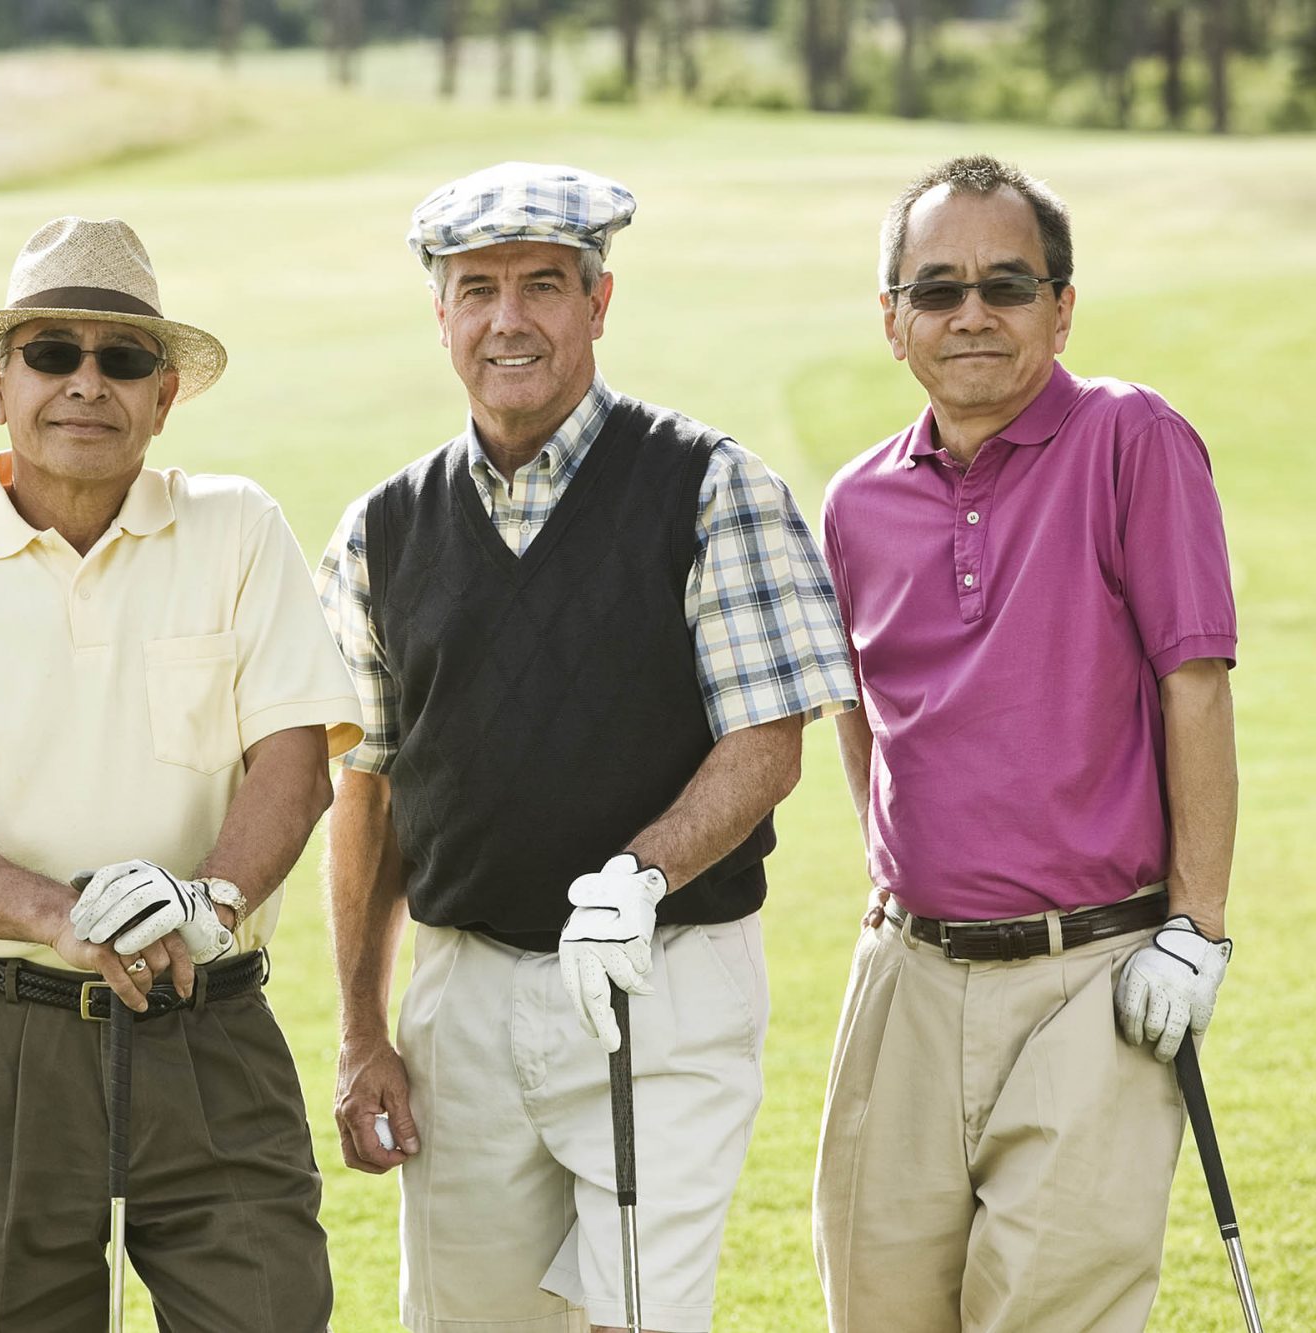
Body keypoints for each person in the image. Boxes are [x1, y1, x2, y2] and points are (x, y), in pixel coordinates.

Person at [318, 162, 857, 1333]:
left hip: (661, 979)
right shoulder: (378, 530)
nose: (507, 319)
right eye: (477, 289)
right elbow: (366, 791)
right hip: (458, 998)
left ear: (597, 304)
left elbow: (766, 743)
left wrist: (638, 874)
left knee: (639, 1317)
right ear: (441, 312)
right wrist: (363, 1028)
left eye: (542, 286)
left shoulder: (710, 487)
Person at [0, 215, 364, 1331]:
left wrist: (205, 901)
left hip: (207, 1018)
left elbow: (295, 762)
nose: (87, 383)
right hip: (5, 1037)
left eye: (122, 360)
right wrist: (59, 916)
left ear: (163, 397)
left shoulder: (238, 529)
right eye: (51, 355)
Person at [812, 155, 1240, 1332]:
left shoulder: (1129, 440)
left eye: (1006, 284)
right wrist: (883, 867)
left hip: (1093, 977)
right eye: (935, 289)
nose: (970, 315)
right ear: (890, 318)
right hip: (903, 977)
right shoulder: (852, 502)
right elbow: (858, 706)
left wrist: (1194, 932)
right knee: (876, 1308)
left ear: (1060, 305)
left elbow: (1191, 685)